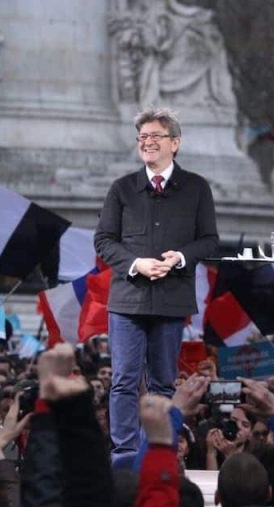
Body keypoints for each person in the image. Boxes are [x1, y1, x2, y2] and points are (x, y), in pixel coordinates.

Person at [94, 107, 218, 462]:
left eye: (154, 137)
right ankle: (125, 452)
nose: (146, 143)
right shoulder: (122, 189)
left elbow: (209, 241)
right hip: (128, 302)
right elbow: (103, 241)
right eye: (142, 138)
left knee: (164, 381)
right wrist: (136, 264)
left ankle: (159, 451)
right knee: (124, 381)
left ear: (174, 143)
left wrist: (178, 258)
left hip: (171, 299)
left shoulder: (195, 188)